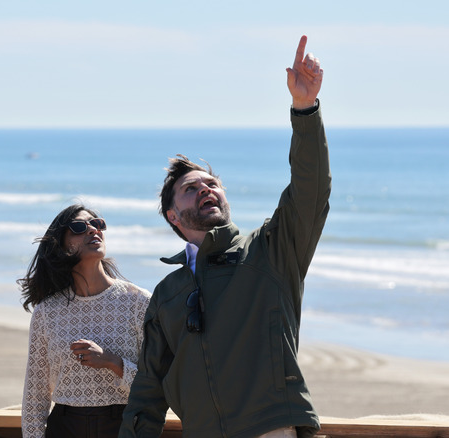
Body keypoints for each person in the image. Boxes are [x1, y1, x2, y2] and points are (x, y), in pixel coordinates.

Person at [119, 35, 330, 438]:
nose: (206, 189)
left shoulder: (270, 251)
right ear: (173, 216)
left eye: (212, 183)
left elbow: (310, 192)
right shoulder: (167, 294)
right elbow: (147, 390)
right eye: (191, 188)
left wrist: (305, 110)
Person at [18, 204, 152, 438]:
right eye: (80, 227)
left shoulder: (138, 302)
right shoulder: (47, 312)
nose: (93, 230)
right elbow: (35, 394)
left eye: (98, 223)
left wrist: (113, 362)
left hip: (124, 427)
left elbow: (157, 384)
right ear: (61, 245)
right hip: (64, 427)